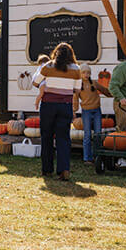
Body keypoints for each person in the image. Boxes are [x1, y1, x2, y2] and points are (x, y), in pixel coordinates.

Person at [32, 43, 80, 181]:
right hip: (65, 105)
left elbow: (35, 82)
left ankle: (47, 170)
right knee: (63, 138)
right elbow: (77, 89)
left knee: (46, 136)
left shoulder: (48, 66)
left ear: (55, 53)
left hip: (48, 105)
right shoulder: (76, 69)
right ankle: (64, 169)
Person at [75, 64, 105, 164]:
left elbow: (104, 90)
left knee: (97, 134)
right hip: (86, 111)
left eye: (88, 72)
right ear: (80, 73)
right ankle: (87, 158)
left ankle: (97, 156)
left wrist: (114, 95)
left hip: (97, 110)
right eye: (83, 72)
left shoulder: (94, 84)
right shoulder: (78, 86)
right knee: (87, 134)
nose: (86, 74)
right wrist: (74, 110)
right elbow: (75, 99)